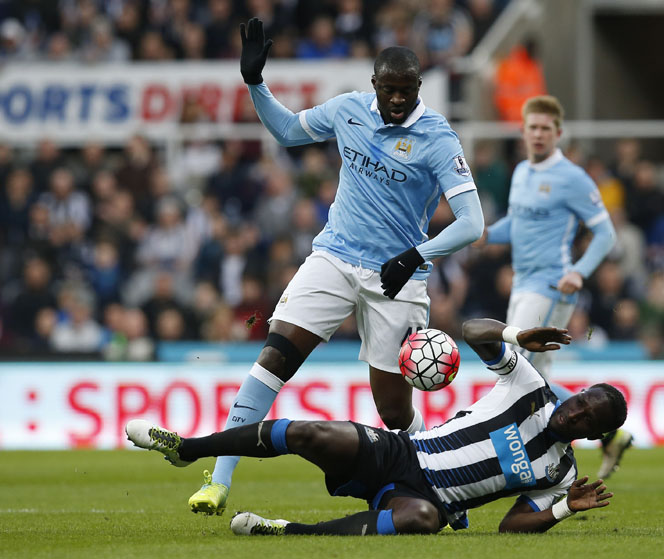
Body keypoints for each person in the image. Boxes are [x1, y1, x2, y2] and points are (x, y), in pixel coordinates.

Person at [183, 18, 484, 516]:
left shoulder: (438, 138)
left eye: (406, 91)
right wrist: (255, 83)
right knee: (275, 354)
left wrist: (416, 254)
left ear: (418, 88)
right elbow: (286, 130)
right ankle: (218, 481)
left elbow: (472, 223)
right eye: (388, 90)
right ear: (374, 85)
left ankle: (437, 481)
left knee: (393, 411)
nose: (396, 100)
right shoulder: (347, 110)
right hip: (335, 256)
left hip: (398, 276)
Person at [126, 317, 627, 535]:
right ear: (577, 393)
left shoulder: (559, 471)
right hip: (403, 453)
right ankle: (187, 448)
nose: (578, 412)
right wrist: (516, 335)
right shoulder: (529, 385)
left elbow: (511, 524)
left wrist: (563, 508)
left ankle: (284, 531)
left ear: (591, 434)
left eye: (591, 419)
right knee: (311, 434)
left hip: (431, 502)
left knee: (420, 523)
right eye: (583, 400)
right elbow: (473, 331)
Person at [480, 95, 631, 479]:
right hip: (524, 282)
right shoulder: (520, 173)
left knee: (516, 370)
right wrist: (484, 234)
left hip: (550, 284)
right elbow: (517, 223)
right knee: (534, 376)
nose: (539, 134)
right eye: (533, 127)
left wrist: (579, 270)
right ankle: (608, 434)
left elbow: (605, 232)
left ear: (558, 133)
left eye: (546, 128)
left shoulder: (572, 178)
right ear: (523, 131)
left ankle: (537, 453)